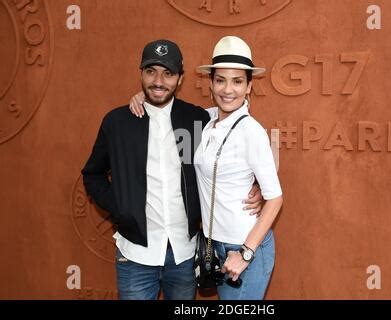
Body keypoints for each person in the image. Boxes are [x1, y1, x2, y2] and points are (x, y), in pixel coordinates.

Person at [81, 39, 262, 300]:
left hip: (184, 255)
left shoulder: (197, 119)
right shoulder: (117, 122)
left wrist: (255, 185)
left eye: (168, 74)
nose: (158, 81)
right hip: (135, 254)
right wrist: (120, 206)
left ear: (180, 79)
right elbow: (93, 174)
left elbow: (236, 123)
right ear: (141, 73)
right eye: (151, 71)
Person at [129, 36, 283, 300]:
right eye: (221, 80)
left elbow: (276, 198)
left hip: (244, 247)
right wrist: (145, 94)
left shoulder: (252, 131)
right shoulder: (206, 118)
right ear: (210, 83)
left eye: (237, 81)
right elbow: (167, 108)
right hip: (214, 244)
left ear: (249, 87)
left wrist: (245, 252)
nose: (228, 90)